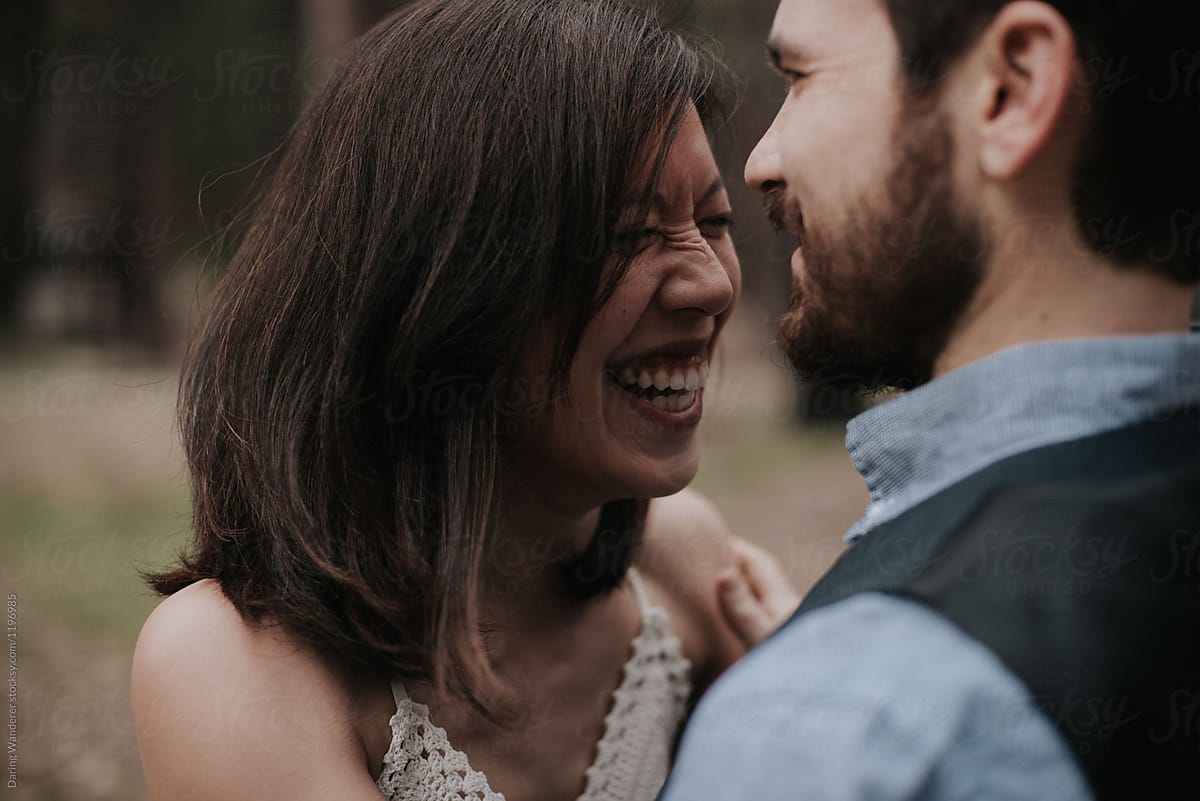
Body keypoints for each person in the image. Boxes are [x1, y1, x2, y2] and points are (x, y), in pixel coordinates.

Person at [129, 2, 752, 799]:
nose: (712, 281)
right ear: (438, 286)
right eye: (628, 234)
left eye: (715, 220)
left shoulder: (688, 568)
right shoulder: (229, 661)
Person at [664, 0, 1200, 798]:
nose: (762, 159)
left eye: (800, 78)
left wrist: (830, 699)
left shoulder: (843, 730)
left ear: (1010, 88)